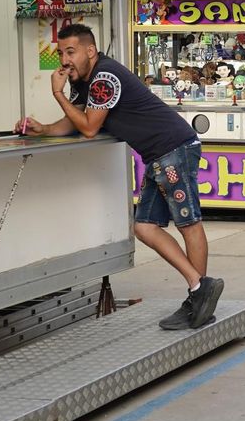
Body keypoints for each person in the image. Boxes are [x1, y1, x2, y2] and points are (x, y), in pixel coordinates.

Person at [19, 24, 225, 330]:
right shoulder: (86, 82)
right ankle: (199, 289)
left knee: (188, 224)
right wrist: (44, 129)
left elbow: (89, 127)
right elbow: (73, 121)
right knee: (144, 227)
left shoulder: (105, 77)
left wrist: (57, 93)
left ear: (90, 51)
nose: (64, 60)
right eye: (61, 53)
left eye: (71, 52)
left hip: (174, 149)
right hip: (158, 155)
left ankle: (199, 300)